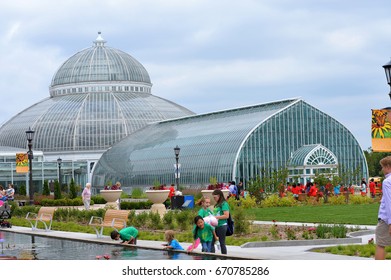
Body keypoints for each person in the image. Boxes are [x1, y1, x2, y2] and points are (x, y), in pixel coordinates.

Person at [375, 156, 391, 260]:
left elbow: (390, 202)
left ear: (388, 166)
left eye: (383, 167)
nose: (382, 169)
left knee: (380, 245)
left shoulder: (387, 182)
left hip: (386, 220)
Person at [212, 189, 230, 254]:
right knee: (211, 242)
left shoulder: (224, 204)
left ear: (219, 196)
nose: (214, 199)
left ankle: (224, 258)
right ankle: (211, 258)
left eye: (215, 197)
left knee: (222, 242)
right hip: (216, 225)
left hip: (222, 225)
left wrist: (216, 217)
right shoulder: (217, 204)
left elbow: (226, 215)